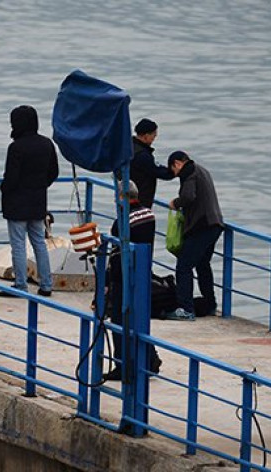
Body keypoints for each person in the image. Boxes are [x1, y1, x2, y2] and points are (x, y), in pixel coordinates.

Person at [102, 180, 162, 381]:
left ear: (121, 197)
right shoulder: (148, 214)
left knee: (119, 321)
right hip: (143, 274)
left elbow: (116, 254)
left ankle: (122, 366)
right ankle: (150, 359)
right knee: (139, 320)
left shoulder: (123, 221)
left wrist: (108, 281)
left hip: (124, 276)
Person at [0, 105, 59, 297]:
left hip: (17, 202)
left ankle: (21, 285)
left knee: (18, 244)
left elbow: (11, 177)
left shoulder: (16, 147)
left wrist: (4, 188)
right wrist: (40, 185)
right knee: (39, 242)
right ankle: (46, 284)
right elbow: (54, 172)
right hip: (38, 200)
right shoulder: (46, 143)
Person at [165, 151, 224, 321]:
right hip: (215, 223)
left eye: (173, 171)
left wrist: (175, 203)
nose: (176, 175)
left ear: (177, 163)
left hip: (202, 226)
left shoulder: (189, 172)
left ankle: (186, 309)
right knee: (202, 264)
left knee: (183, 266)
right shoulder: (202, 170)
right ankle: (210, 304)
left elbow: (188, 196)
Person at [129, 118, 174, 208]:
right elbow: (156, 171)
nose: (154, 138)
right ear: (146, 136)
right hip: (140, 199)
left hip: (127, 196)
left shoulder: (129, 146)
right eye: (153, 136)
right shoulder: (142, 155)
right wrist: (175, 171)